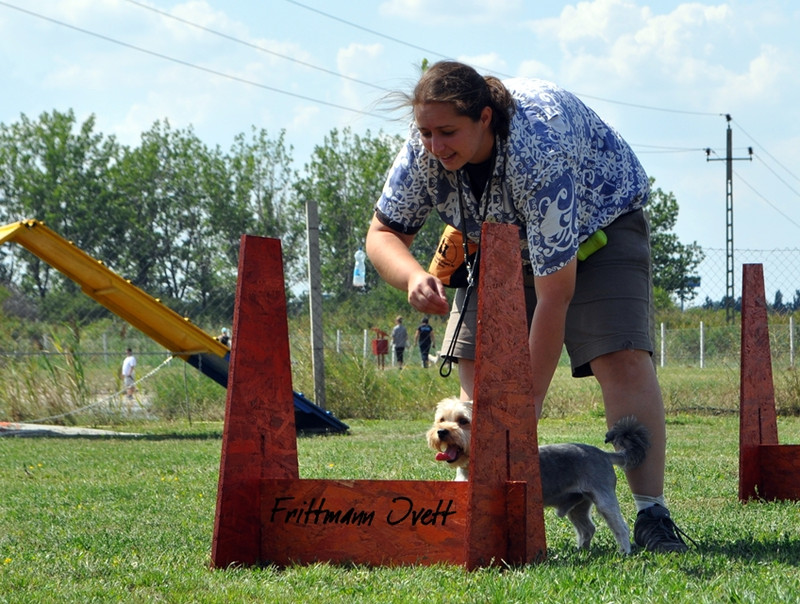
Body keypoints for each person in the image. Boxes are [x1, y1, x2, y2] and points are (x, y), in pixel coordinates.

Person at [365, 61, 690, 553]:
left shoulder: (537, 155)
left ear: (486, 118)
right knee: (475, 359)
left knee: (619, 355)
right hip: (497, 234)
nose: (434, 145)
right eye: (426, 132)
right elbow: (383, 233)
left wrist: (523, 408)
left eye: (447, 132)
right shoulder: (424, 149)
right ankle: (483, 506)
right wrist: (413, 275)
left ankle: (651, 516)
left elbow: (555, 295)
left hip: (599, 223)